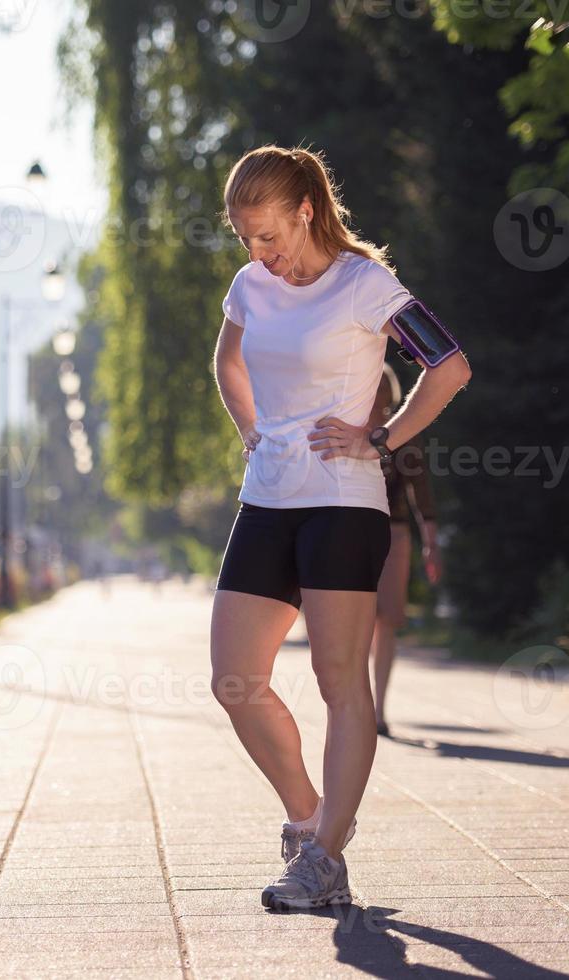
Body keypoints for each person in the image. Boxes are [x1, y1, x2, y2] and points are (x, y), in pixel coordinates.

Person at [210, 145, 471, 912]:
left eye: (270, 236)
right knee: (234, 678)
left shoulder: (365, 284)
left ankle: (324, 859)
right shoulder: (249, 287)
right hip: (267, 498)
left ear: (306, 211)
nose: (261, 255)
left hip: (342, 502)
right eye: (246, 240)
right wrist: (251, 430)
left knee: (338, 682)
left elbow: (448, 364)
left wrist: (381, 436)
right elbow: (228, 365)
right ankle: (308, 819)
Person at [367, 365, 441, 738]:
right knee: (355, 624)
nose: (375, 395)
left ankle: (379, 710)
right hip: (349, 533)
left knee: (387, 622)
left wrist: (431, 543)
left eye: (380, 387)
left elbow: (421, 492)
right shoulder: (343, 429)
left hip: (394, 535)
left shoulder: (404, 432)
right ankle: (356, 707)